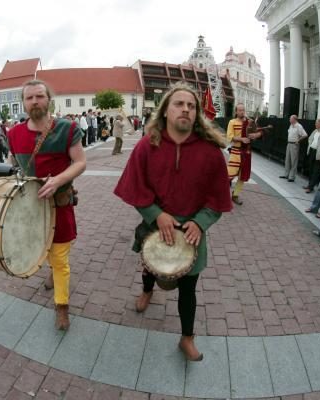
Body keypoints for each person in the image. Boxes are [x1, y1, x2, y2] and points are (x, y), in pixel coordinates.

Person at [114, 83, 232, 361]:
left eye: (191, 106)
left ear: (197, 114)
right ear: (166, 110)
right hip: (155, 224)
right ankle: (147, 291)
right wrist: (157, 215)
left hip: (191, 232)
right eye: (179, 104)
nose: (186, 109)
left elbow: (217, 198)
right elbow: (135, 188)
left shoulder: (211, 151)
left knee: (189, 289)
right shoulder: (147, 145)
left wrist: (201, 222)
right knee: (149, 265)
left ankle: (187, 338)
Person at [7, 79, 86, 331]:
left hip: (59, 204)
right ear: (24, 103)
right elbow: (14, 166)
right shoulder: (13, 134)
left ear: (48, 99)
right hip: (31, 209)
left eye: (39, 96)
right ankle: (51, 272)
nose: (35, 102)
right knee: (41, 248)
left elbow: (80, 162)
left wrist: (59, 180)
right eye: (29, 98)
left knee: (60, 258)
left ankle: (61, 306)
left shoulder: (67, 128)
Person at [226, 104, 263, 205]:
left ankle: (235, 195)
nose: (242, 112)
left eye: (243, 110)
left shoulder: (249, 122)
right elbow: (229, 136)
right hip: (235, 151)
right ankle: (220, 194)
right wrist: (241, 139)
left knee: (243, 176)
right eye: (240, 110)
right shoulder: (232, 122)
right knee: (229, 174)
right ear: (236, 112)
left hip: (246, 152)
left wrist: (256, 134)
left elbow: (260, 132)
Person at [303, 119, 320, 193]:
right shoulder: (315, 131)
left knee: (316, 171)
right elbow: (310, 138)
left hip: (319, 154)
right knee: (311, 169)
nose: (315, 124)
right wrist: (310, 146)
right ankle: (309, 185)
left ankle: (311, 187)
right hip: (312, 151)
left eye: (316, 123)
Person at [279, 115, 307, 182]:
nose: (289, 120)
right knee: (287, 160)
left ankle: (292, 177)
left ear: (294, 119)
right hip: (289, 143)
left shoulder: (299, 126)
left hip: (294, 145)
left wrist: (298, 140)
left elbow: (305, 135)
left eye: (290, 119)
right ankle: (286, 174)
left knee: (293, 161)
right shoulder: (291, 125)